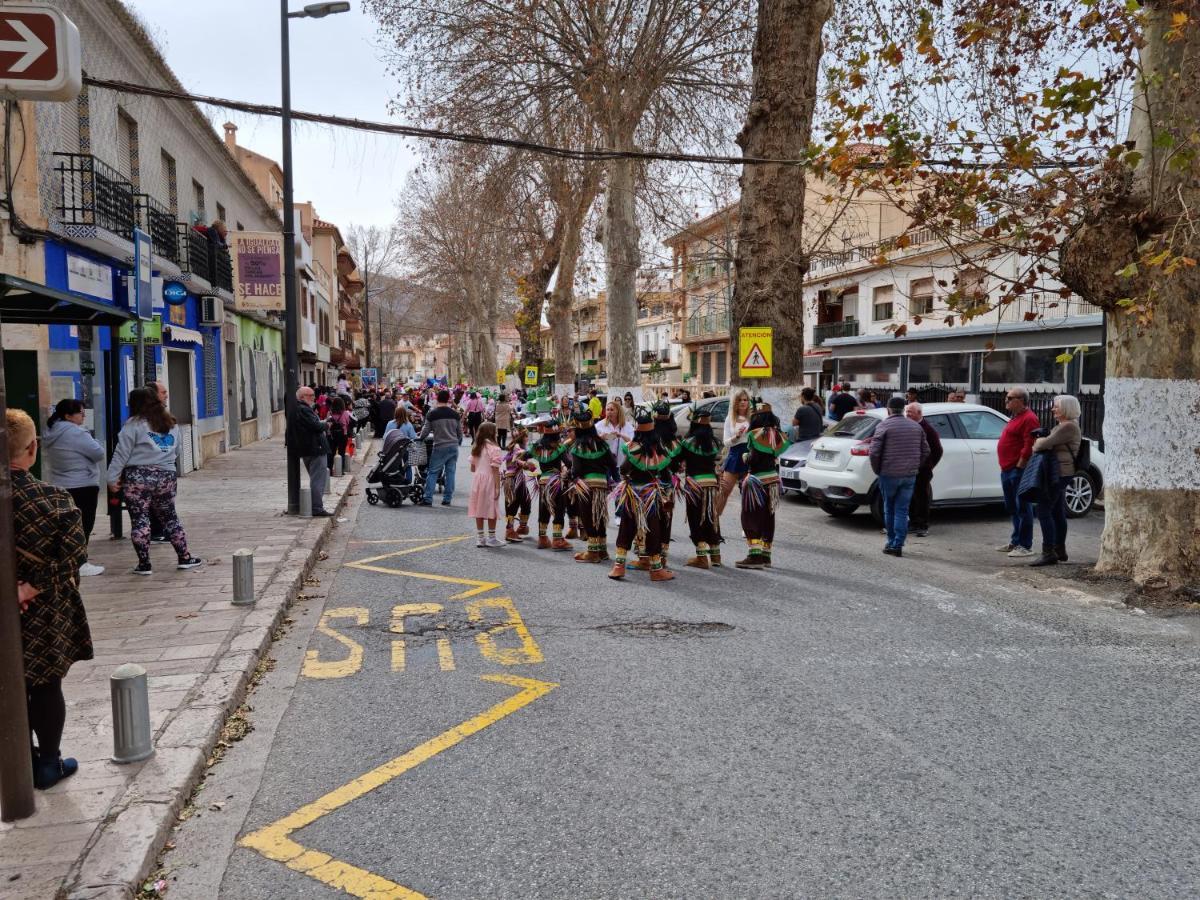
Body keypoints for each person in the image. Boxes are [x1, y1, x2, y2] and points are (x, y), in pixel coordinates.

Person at [9, 408, 93, 789]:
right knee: (45, 684)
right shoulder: (54, 500)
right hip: (44, 610)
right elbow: (75, 555)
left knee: (7, 684)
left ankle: (16, 761)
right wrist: (30, 588)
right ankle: (48, 763)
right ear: (32, 449)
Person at [108, 387, 204, 574]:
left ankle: (144, 564)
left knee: (140, 519)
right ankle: (184, 557)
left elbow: (121, 454)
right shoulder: (171, 424)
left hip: (138, 478)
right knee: (170, 517)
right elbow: (176, 451)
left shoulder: (133, 425)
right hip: (166, 476)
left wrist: (112, 478)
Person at [42, 399, 107, 577]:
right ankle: (80, 562)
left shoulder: (52, 431)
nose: (83, 416)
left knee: (66, 526)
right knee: (84, 524)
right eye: (81, 413)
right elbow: (98, 453)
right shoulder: (76, 433)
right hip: (83, 483)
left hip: (61, 484)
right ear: (68, 415)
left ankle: (67, 559)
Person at [608, 410, 674, 582]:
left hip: (632, 494)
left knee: (626, 527)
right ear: (653, 432)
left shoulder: (632, 448)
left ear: (637, 431)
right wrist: (665, 492)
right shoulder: (660, 451)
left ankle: (618, 567)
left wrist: (628, 480)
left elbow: (623, 469)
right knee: (653, 529)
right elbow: (666, 476)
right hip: (651, 495)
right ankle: (655, 569)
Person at [869, 395, 930, 558]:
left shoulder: (884, 426)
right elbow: (926, 451)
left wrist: (878, 469)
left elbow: (874, 452)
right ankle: (898, 543)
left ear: (888, 409)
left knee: (889, 508)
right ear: (903, 410)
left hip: (888, 474)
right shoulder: (916, 427)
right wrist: (915, 466)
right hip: (909, 475)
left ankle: (892, 543)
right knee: (902, 510)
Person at [1029, 395, 1082, 567]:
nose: (1053, 409)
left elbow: (1041, 445)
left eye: (1056, 406)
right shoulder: (1063, 426)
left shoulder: (1067, 427)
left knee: (1043, 510)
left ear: (1066, 408)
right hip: (1059, 472)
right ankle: (1059, 549)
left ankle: (1048, 552)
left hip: (1060, 473)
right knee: (1057, 511)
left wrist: (1039, 441)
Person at [567, 407, 616, 563]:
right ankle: (602, 550)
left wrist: (569, 475)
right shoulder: (602, 444)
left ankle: (592, 553)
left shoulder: (577, 448)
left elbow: (576, 471)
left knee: (588, 517)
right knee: (600, 515)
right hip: (602, 485)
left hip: (586, 486)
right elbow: (613, 465)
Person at [996, 386, 1040, 558]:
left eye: (1010, 398)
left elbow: (1029, 444)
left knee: (1023, 507)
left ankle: (1025, 545)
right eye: (1006, 397)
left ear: (1021, 400)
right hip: (1007, 469)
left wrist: (1020, 466)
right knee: (1013, 507)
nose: (1006, 400)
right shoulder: (1015, 417)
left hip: (1017, 469)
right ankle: (1015, 541)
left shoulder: (1029, 418)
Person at [678, 406, 723, 568]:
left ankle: (702, 557)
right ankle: (716, 556)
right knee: (711, 517)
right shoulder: (714, 443)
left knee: (696, 518)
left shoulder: (687, 443)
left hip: (694, 485)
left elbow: (677, 461)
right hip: (711, 484)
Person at [286, 386, 334, 518]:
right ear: (302, 397)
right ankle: (317, 508)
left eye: (313, 395)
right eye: (311, 395)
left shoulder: (298, 409)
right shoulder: (304, 409)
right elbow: (316, 426)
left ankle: (313, 505)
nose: (314, 397)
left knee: (316, 478)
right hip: (315, 449)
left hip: (308, 448)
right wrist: (326, 424)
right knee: (318, 479)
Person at [531, 416, 571, 550]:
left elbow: (524, 456)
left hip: (543, 482)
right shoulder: (559, 448)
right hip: (556, 482)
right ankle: (557, 539)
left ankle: (542, 539)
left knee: (544, 509)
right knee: (559, 508)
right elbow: (569, 463)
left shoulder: (537, 447)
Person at [905, 402, 943, 537]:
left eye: (910, 412)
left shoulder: (928, 429)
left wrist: (929, 465)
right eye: (907, 411)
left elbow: (937, 450)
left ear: (919, 414)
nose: (907, 414)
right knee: (911, 497)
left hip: (923, 469)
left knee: (921, 497)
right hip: (910, 468)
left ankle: (922, 525)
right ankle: (913, 523)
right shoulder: (909, 426)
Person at [419, 389, 463, 506]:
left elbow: (425, 430)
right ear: (449, 399)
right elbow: (460, 432)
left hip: (439, 446)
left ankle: (428, 498)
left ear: (437, 398)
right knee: (450, 473)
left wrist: (420, 439)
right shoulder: (455, 414)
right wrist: (456, 442)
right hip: (453, 446)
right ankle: (447, 498)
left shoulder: (432, 414)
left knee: (433, 472)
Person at [468, 422, 505, 548]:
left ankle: (480, 538)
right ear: (491, 432)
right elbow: (495, 470)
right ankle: (492, 538)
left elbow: (472, 468)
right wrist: (497, 486)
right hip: (489, 480)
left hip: (477, 481)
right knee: (492, 508)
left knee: (478, 508)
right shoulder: (495, 448)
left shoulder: (476, 447)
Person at [717, 389, 752, 515]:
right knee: (724, 491)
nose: (743, 402)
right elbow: (725, 442)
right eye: (740, 400)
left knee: (749, 494)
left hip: (749, 456)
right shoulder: (730, 418)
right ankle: (714, 524)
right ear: (735, 402)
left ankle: (748, 527)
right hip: (734, 455)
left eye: (745, 400)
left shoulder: (752, 418)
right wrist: (736, 437)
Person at [502, 425, 537, 542]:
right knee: (512, 505)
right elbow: (515, 460)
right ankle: (509, 531)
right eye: (526, 436)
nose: (528, 438)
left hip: (518, 479)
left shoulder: (517, 446)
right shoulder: (517, 447)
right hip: (513, 480)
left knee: (526, 502)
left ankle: (522, 527)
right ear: (522, 437)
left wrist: (527, 466)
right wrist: (526, 464)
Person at [596, 399, 634, 467]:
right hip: (604, 463)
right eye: (607, 410)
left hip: (622, 463)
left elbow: (633, 443)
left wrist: (622, 436)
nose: (609, 412)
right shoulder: (599, 425)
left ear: (618, 412)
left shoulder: (628, 426)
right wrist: (601, 437)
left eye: (612, 410)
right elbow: (592, 442)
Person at [326, 396, 351, 476]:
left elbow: (327, 423)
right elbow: (347, 423)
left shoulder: (329, 413)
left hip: (331, 435)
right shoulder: (345, 413)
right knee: (342, 452)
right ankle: (341, 470)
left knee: (330, 453)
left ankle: (329, 470)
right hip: (343, 435)